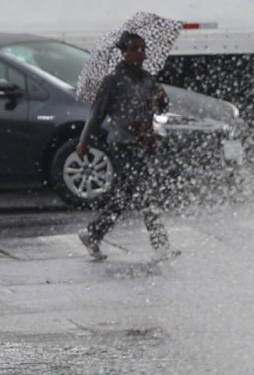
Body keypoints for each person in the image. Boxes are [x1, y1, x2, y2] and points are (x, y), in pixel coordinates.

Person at [76, 32, 178, 261]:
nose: (141, 53)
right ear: (124, 52)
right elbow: (97, 113)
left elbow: (160, 109)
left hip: (144, 143)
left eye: (143, 49)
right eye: (135, 48)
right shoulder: (113, 80)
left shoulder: (148, 79)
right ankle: (160, 245)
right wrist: (84, 140)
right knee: (142, 194)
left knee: (130, 195)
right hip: (123, 144)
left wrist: (161, 100)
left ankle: (94, 233)